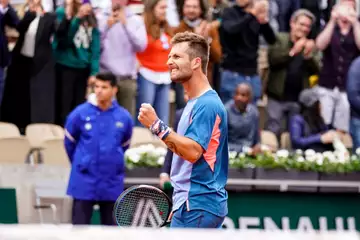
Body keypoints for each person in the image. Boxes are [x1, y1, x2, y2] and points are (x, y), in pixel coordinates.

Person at [138, 31, 229, 228]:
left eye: (176, 56)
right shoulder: (194, 104)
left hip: (197, 204)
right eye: (169, 56)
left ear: (196, 62)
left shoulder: (207, 105)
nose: (169, 62)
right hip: (192, 203)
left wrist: (156, 125)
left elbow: (193, 152)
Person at [64, 72, 134, 225]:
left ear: (114, 89)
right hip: (84, 179)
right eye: (96, 86)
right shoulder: (79, 113)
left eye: (104, 87)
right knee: (79, 231)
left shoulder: (124, 117)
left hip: (111, 180)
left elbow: (125, 144)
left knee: (111, 231)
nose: (99, 90)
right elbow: (69, 143)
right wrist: (81, 161)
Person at [1, 0, 57, 133]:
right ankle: (15, 124)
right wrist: (30, 13)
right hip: (21, 59)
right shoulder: (26, 12)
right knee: (19, 93)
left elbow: (56, 30)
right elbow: (19, 27)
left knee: (37, 96)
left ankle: (35, 126)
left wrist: (44, 13)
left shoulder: (50, 17)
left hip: (40, 62)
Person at [97, 0, 147, 117]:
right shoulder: (100, 17)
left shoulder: (135, 20)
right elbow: (94, 48)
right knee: (104, 118)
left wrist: (126, 25)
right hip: (106, 77)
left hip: (127, 78)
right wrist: (106, 28)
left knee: (125, 119)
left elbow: (141, 46)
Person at [289, 88, 336, 152]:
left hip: (321, 153)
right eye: (318, 103)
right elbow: (296, 142)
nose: (321, 105)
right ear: (312, 105)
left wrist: (331, 134)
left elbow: (325, 133)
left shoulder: (318, 118)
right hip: (305, 155)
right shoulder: (297, 119)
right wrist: (319, 138)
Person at [226, 83, 261, 154]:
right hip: (231, 153)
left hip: (251, 153)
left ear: (250, 98)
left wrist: (258, 146)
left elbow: (256, 139)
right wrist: (244, 150)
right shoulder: (226, 111)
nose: (239, 98)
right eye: (237, 94)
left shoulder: (254, 112)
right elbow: (221, 143)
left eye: (243, 95)